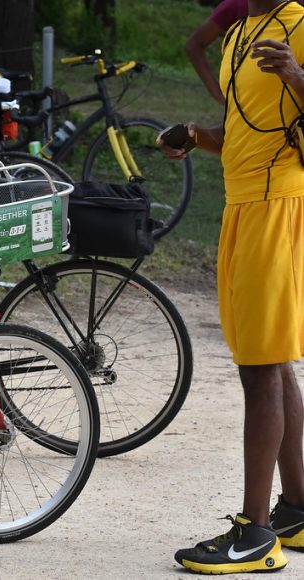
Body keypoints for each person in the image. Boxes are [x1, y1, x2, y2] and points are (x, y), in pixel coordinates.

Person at [166, 0, 304, 574]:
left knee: (260, 364)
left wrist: (299, 76)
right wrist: (197, 136)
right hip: (242, 204)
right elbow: (248, 131)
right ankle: (297, 507)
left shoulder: (301, 22)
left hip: (279, 205)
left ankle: (255, 535)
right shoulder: (242, 29)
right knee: (273, 361)